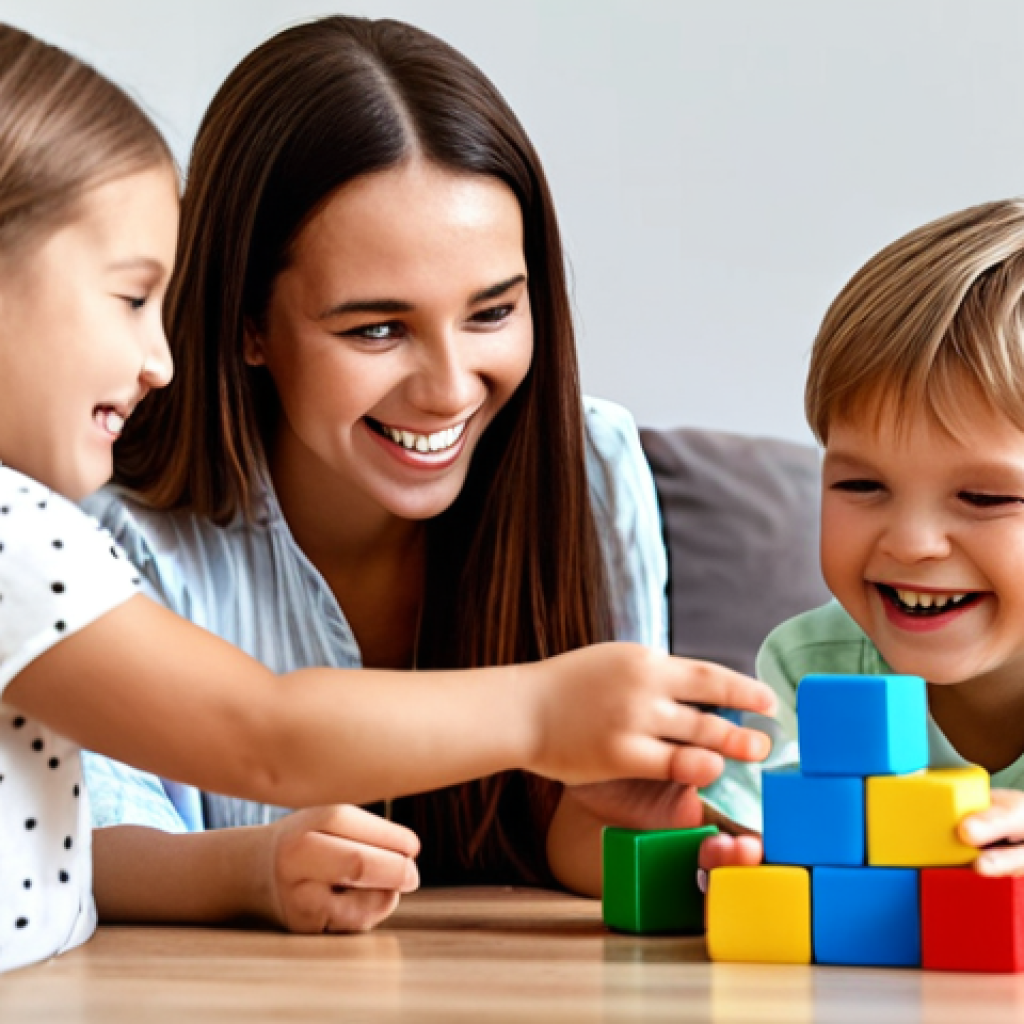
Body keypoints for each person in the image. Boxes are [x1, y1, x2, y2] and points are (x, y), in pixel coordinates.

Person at [0, 21, 777, 971]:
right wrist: (254, 868)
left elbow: (578, 835)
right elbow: (179, 790)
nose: (450, 387)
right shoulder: (75, 517)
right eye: (376, 329)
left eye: (493, 311)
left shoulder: (589, 467)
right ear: (249, 323)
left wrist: (651, 834)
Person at [700, 199, 1024, 877]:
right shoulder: (809, 668)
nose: (910, 543)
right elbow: (741, 827)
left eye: (985, 497)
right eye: (861, 487)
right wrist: (725, 849)